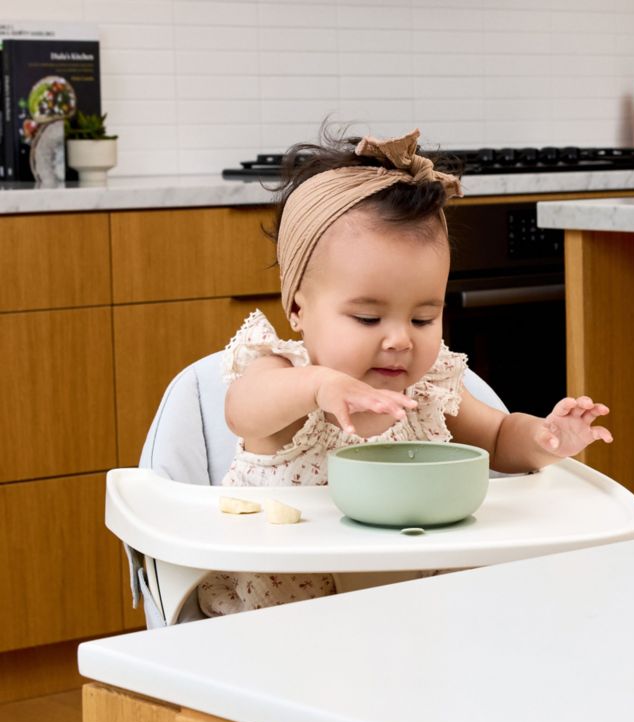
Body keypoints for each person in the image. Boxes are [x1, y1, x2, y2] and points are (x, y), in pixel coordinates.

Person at [197, 127, 612, 617]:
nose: (400, 339)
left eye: (423, 318)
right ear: (297, 308)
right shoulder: (285, 372)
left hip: (413, 612)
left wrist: (546, 438)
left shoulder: (427, 387)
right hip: (283, 623)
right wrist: (320, 386)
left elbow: (499, 438)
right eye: (367, 318)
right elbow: (242, 412)